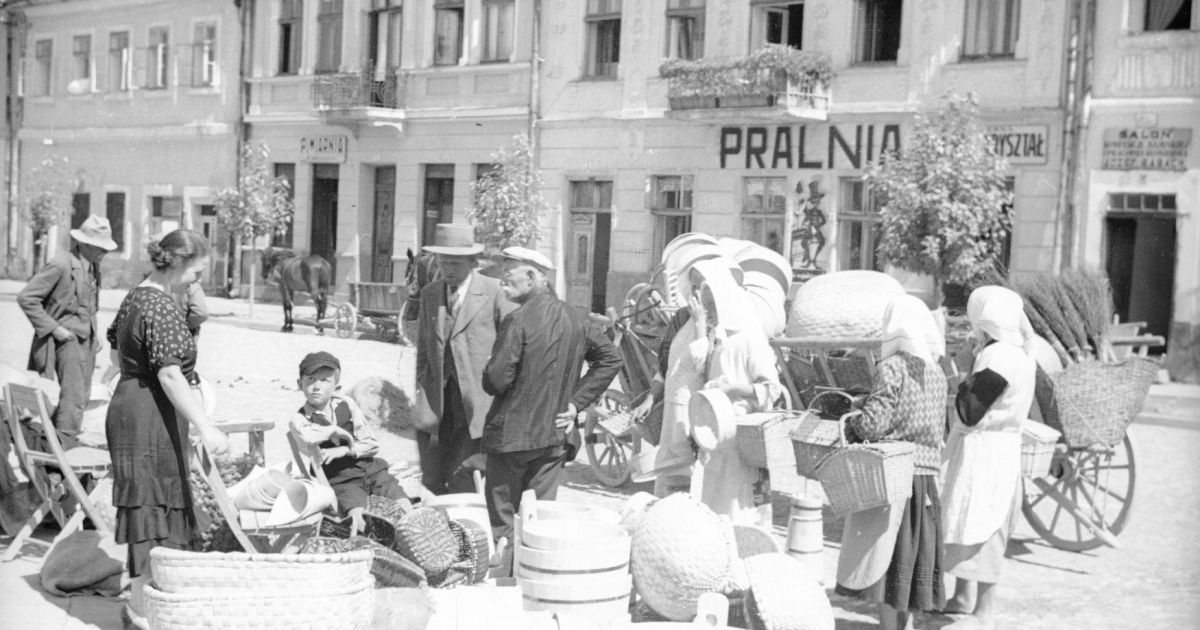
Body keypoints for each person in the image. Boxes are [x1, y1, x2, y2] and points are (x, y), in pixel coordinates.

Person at [105, 229, 230, 628]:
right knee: (155, 511)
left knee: (149, 512)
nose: (197, 282)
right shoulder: (158, 304)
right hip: (151, 416)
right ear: (175, 263)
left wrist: (131, 377)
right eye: (196, 273)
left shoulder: (136, 296)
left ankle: (141, 609)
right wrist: (206, 426)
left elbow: (115, 351)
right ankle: (144, 614)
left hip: (133, 407)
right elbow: (170, 375)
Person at [481, 247, 621, 556]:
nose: (502, 282)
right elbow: (611, 358)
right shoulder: (577, 318)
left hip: (511, 441)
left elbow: (496, 381)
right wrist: (575, 403)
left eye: (508, 274)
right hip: (555, 439)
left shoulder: (516, 320)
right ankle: (534, 574)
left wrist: (490, 366)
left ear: (531, 277)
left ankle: (505, 574)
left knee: (502, 528)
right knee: (540, 524)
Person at [835, 295, 949, 630]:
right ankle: (907, 625)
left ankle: (887, 627)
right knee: (912, 556)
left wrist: (856, 413)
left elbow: (873, 425)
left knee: (888, 552)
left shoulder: (891, 368)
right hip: (925, 476)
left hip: (893, 474)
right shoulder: (937, 372)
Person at [940, 286, 1037, 630]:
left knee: (983, 526)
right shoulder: (1018, 353)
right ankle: (963, 596)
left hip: (986, 452)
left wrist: (962, 372)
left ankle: (984, 612)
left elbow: (970, 412)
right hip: (997, 449)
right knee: (971, 521)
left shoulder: (999, 358)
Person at [414, 224, 514, 495]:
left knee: (467, 470)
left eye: (456, 263)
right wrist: (420, 388)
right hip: (438, 397)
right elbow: (423, 348)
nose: (449, 269)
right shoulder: (431, 293)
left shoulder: (495, 292)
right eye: (443, 262)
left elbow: (511, 348)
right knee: (433, 469)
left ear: (472, 261)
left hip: (478, 399)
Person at [686, 260, 782, 524]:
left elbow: (771, 389)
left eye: (712, 305)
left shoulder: (751, 339)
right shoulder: (719, 338)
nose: (708, 311)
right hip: (717, 433)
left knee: (743, 503)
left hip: (743, 436)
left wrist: (730, 389)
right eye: (705, 305)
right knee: (716, 501)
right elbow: (702, 371)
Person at [18, 215, 118, 444]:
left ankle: (51, 442)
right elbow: (27, 298)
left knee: (82, 395)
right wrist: (55, 329)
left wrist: (95, 332)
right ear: (84, 244)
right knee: (73, 396)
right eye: (100, 248)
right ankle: (62, 450)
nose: (104, 253)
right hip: (65, 340)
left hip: (85, 339)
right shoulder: (61, 263)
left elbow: (89, 305)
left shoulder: (93, 266)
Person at [290, 351, 411, 530]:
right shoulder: (300, 419)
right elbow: (308, 436)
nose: (316, 386)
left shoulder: (347, 404)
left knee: (405, 508)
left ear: (336, 385)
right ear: (300, 384)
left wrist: (347, 450)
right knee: (360, 523)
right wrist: (333, 430)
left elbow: (371, 443)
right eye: (311, 379)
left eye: (324, 380)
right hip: (342, 481)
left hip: (372, 470)